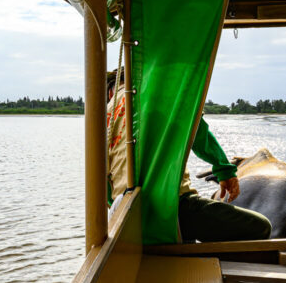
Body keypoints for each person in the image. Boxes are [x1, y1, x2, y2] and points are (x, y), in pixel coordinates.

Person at [107, 68, 271, 243]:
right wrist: (224, 170)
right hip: (175, 208)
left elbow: (106, 183)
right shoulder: (155, 91)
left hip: (127, 214)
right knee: (261, 226)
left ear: (111, 91)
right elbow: (197, 132)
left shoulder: (105, 114)